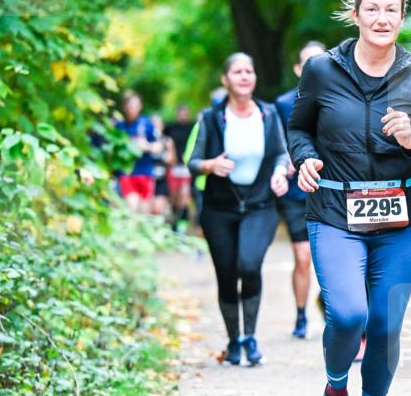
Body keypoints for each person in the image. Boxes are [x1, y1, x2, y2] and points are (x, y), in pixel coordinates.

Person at [287, 0, 411, 396]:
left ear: (402, 17)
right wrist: (304, 159)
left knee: (384, 326)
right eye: (372, 9)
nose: (381, 19)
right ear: (355, 15)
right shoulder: (321, 70)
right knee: (349, 313)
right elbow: (299, 129)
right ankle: (335, 394)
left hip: (397, 221)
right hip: (335, 212)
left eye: (391, 10)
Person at [186, 52, 291, 368]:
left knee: (249, 265)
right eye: (237, 72)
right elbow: (192, 162)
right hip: (219, 209)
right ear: (226, 80)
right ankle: (234, 340)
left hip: (260, 206)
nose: (244, 76)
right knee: (227, 274)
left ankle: (251, 338)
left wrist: (280, 172)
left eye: (249, 71)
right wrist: (210, 165)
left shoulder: (268, 114)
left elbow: (281, 153)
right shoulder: (211, 118)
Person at [275, 41, 327, 339]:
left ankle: (327, 301)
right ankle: (300, 315)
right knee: (303, 256)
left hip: (331, 188)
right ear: (297, 69)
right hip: (297, 191)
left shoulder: (341, 97)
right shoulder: (283, 104)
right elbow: (278, 143)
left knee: (332, 259)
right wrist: (286, 163)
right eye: (308, 62)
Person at [115, 91, 160, 214]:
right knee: (132, 207)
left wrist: (147, 146)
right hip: (127, 173)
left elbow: (158, 146)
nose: (132, 109)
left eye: (135, 106)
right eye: (130, 106)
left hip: (145, 172)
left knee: (144, 211)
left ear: (140, 107)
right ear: (125, 107)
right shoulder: (119, 127)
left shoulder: (147, 124)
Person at [165, 104, 195, 233]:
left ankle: (181, 228)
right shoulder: (170, 128)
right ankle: (174, 225)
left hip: (187, 167)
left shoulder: (192, 127)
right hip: (173, 167)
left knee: (184, 197)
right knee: (174, 199)